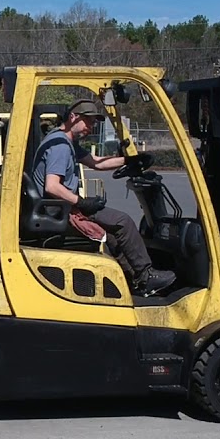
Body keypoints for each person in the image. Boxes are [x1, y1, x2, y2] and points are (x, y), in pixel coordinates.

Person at [32, 99, 176, 296]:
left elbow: (97, 163)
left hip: (59, 208)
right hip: (60, 211)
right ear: (73, 117)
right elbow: (52, 186)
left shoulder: (65, 141)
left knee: (115, 236)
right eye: (88, 121)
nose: (91, 127)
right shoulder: (60, 146)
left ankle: (134, 281)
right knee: (123, 222)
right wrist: (81, 202)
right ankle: (146, 274)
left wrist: (130, 159)